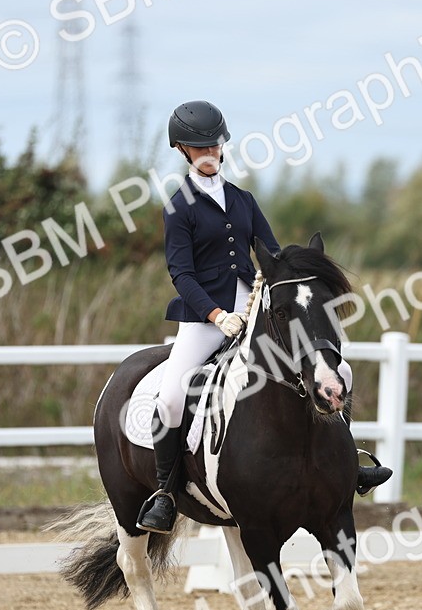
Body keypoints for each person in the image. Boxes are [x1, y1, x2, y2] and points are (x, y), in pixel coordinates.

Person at [138, 100, 390, 534]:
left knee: (335, 368)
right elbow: (180, 272)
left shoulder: (242, 199)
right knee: (173, 393)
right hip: (205, 318)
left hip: (255, 308)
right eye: (198, 147)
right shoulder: (179, 207)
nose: (208, 153)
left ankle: (350, 461)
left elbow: (270, 253)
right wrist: (216, 315)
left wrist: (292, 278)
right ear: (181, 150)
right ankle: (164, 492)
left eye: (214, 145)